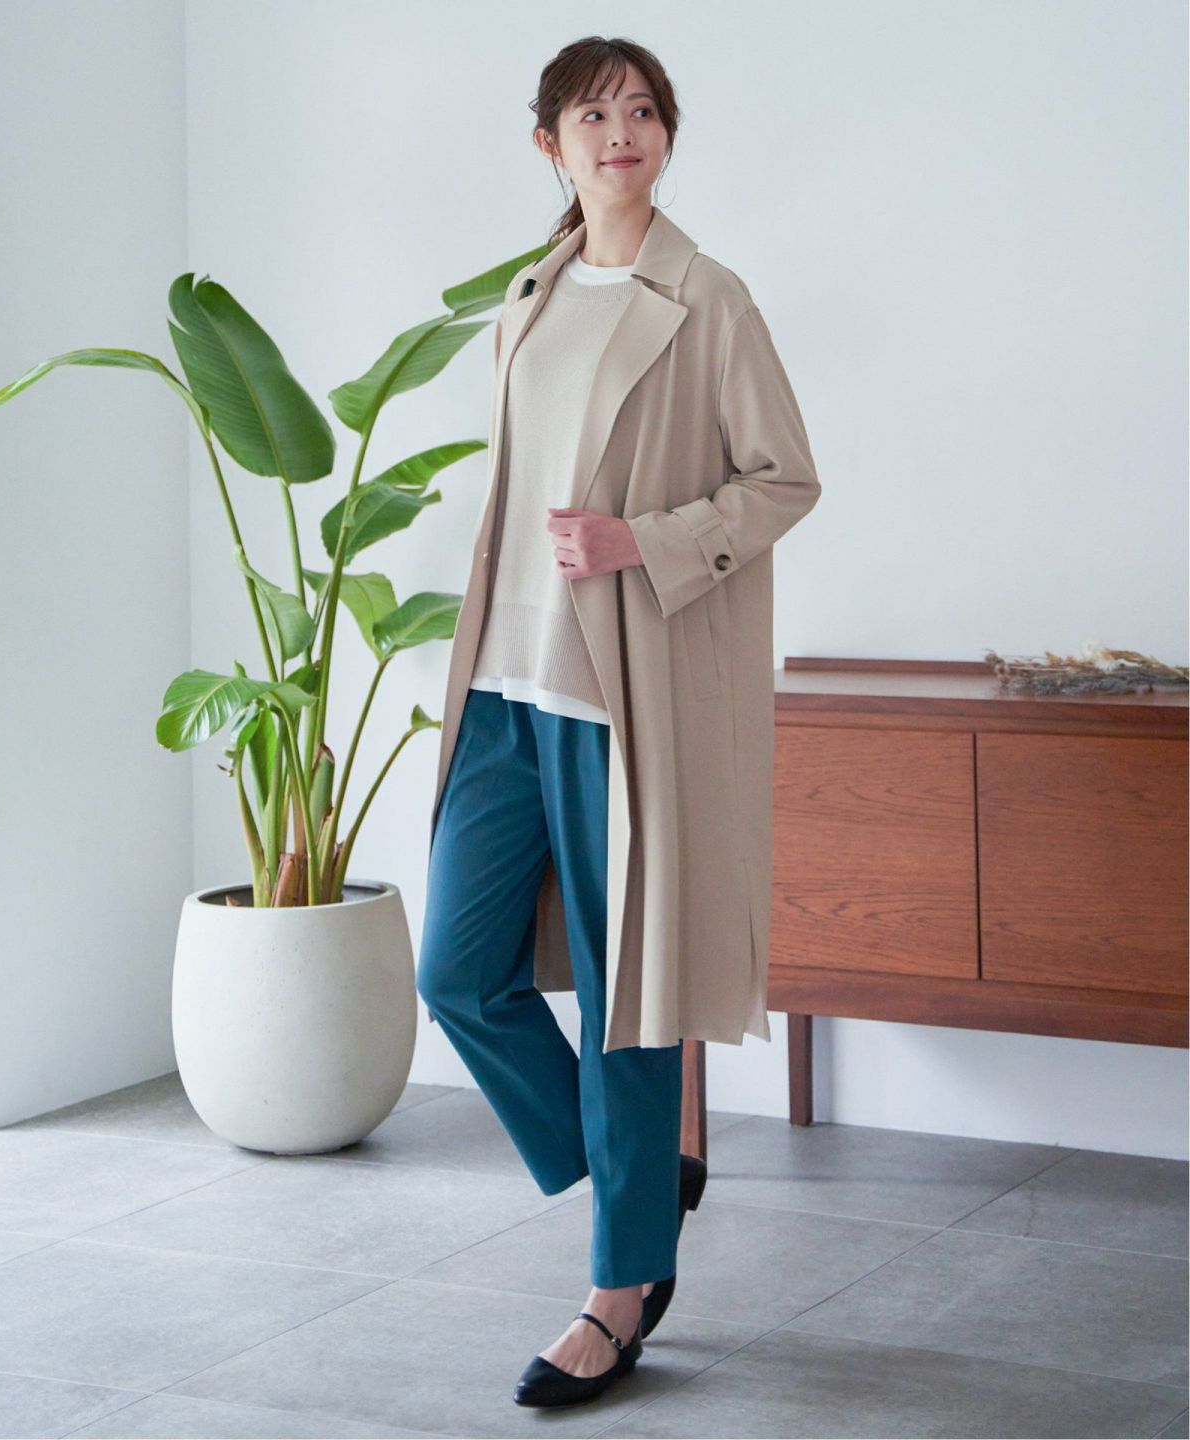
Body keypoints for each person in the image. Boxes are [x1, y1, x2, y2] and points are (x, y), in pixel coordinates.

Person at [416, 34, 821, 1409]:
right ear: (552, 144)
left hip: (613, 691)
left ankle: (619, 1293)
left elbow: (783, 479)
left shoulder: (708, 301)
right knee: (455, 976)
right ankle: (639, 1178)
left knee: (623, 997)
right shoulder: (530, 294)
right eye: (593, 115)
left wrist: (643, 539)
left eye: (643, 110)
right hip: (500, 683)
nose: (622, 133)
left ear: (666, 135)